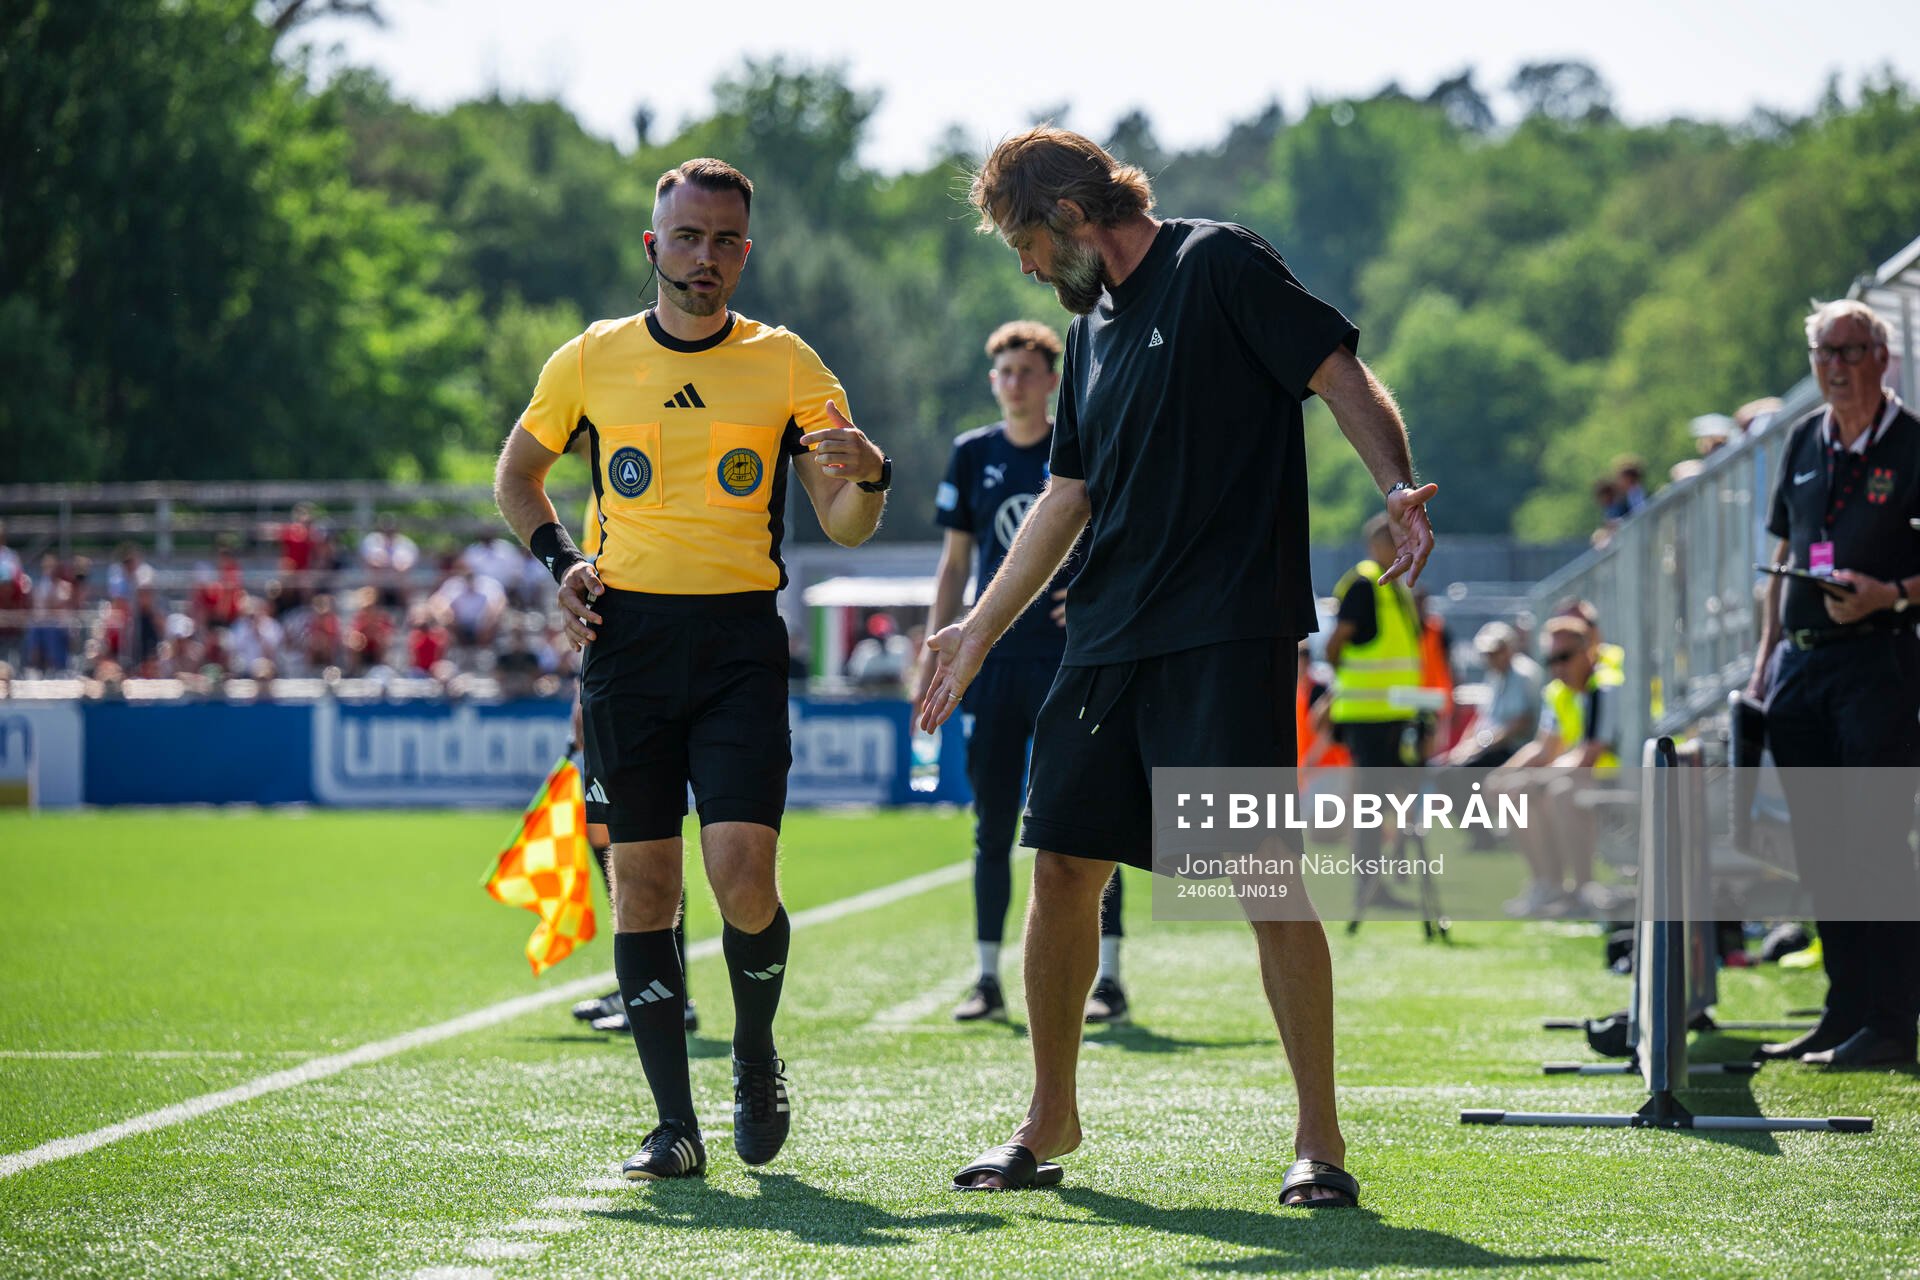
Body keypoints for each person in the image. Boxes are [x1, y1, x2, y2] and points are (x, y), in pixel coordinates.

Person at [920, 127, 1435, 1206]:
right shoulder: (1095, 327)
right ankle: (1048, 1116)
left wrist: (1394, 483)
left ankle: (1319, 1139)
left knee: (1259, 877)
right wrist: (976, 629)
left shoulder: (1217, 263)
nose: (1023, 268)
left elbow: (1336, 369)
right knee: (1060, 865)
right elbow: (1068, 497)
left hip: (1224, 630)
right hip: (1105, 635)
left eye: (1022, 241)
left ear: (1066, 216)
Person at [494, 157, 892, 1181]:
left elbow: (846, 526)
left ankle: (754, 1050)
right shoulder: (590, 357)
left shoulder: (787, 362)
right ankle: (674, 1123)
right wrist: (560, 562)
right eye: (687, 237)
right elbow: (519, 475)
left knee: (742, 877)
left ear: (744, 253)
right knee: (644, 886)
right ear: (653, 245)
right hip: (625, 648)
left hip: (738, 647)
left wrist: (871, 476)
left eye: (724, 242)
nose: (704, 258)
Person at [915, 320, 1130, 1027]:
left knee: (1093, 823)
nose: (1015, 383)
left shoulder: (1078, 446)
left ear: (1050, 381)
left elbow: (1118, 531)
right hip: (995, 661)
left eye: (1028, 372)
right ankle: (985, 977)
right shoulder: (972, 454)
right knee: (992, 823)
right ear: (993, 382)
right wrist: (934, 650)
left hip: (1072, 659)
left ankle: (1110, 980)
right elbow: (955, 563)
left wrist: (1093, 587)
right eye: (1004, 372)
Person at [1747, 298, 1920, 1069]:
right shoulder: (1802, 440)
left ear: (1883, 358)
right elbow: (1783, 559)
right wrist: (1764, 664)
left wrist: (1894, 594)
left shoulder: (1912, 443)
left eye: (1851, 349)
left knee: (1873, 841)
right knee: (1818, 847)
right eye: (1824, 351)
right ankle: (1843, 1009)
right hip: (1801, 663)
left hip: (1879, 659)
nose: (1837, 365)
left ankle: (1889, 1019)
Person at [1490, 615, 1624, 917]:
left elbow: (1590, 755)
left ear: (1588, 651)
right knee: (1514, 792)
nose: (1558, 667)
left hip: (1616, 779)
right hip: (1582, 776)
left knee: (1558, 790)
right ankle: (1548, 885)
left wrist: (1537, 778)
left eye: (1565, 657)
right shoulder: (1558, 691)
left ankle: (1583, 889)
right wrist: (1503, 776)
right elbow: (1544, 747)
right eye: (1551, 659)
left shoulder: (1605, 687)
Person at [1327, 514, 1425, 913]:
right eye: (1396, 542)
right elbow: (1336, 644)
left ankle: (1379, 881)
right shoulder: (1367, 584)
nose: (1403, 549)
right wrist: (1345, 682)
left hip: (1391, 716)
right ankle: (1368, 888)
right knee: (1370, 804)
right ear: (1376, 545)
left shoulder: (1395, 588)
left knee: (1390, 800)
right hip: (1367, 716)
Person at [1440, 621, 1539, 768]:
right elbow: (1482, 719)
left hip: (1513, 750)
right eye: (1487, 654)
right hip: (1491, 748)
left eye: (1495, 652)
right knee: (1444, 767)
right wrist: (1462, 748)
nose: (1490, 659)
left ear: (1509, 648)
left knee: (1462, 770)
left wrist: (1480, 745)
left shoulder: (1523, 674)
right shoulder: (1494, 677)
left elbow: (1520, 724)